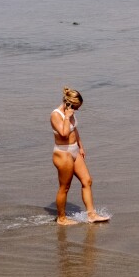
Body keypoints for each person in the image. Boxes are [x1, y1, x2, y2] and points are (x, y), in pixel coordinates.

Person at [51, 88, 108, 225]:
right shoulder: (56, 115)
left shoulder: (71, 114)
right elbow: (64, 133)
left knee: (87, 181)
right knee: (64, 187)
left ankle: (91, 215)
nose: (76, 110)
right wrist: (67, 116)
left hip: (75, 150)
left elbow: (74, 130)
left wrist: (81, 146)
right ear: (69, 103)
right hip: (63, 154)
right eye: (75, 107)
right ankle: (61, 218)